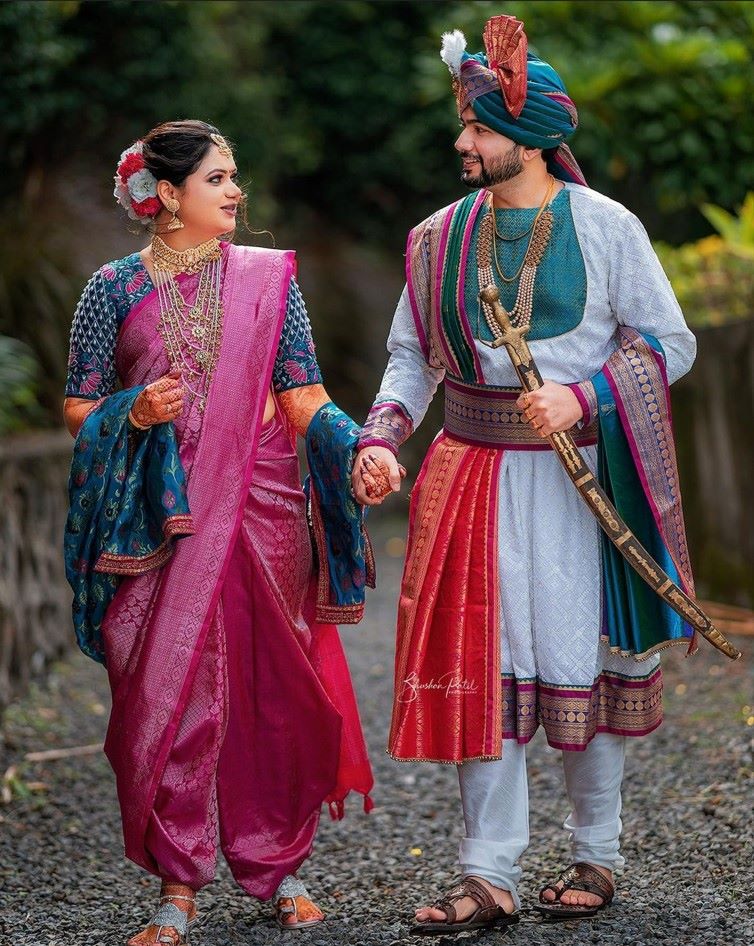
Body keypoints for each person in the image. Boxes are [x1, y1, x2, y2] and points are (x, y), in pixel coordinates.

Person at [352, 14, 697, 935]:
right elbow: (408, 359)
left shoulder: (608, 227)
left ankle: (599, 855)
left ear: (534, 138)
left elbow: (671, 342)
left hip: (584, 486)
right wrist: (384, 436)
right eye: (465, 125)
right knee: (486, 672)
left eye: (478, 127)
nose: (462, 141)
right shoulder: (433, 241)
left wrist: (583, 401)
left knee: (588, 659)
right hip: (469, 482)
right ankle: (487, 873)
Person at [63, 120, 373, 945]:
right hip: (159, 521)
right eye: (219, 179)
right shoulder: (113, 288)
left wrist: (359, 449)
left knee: (272, 687)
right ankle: (178, 883)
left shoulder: (272, 281)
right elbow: (78, 407)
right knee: (167, 692)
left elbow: (302, 392)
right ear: (167, 195)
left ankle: (275, 866)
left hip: (263, 511)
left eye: (236, 177)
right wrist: (134, 410)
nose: (237, 192)